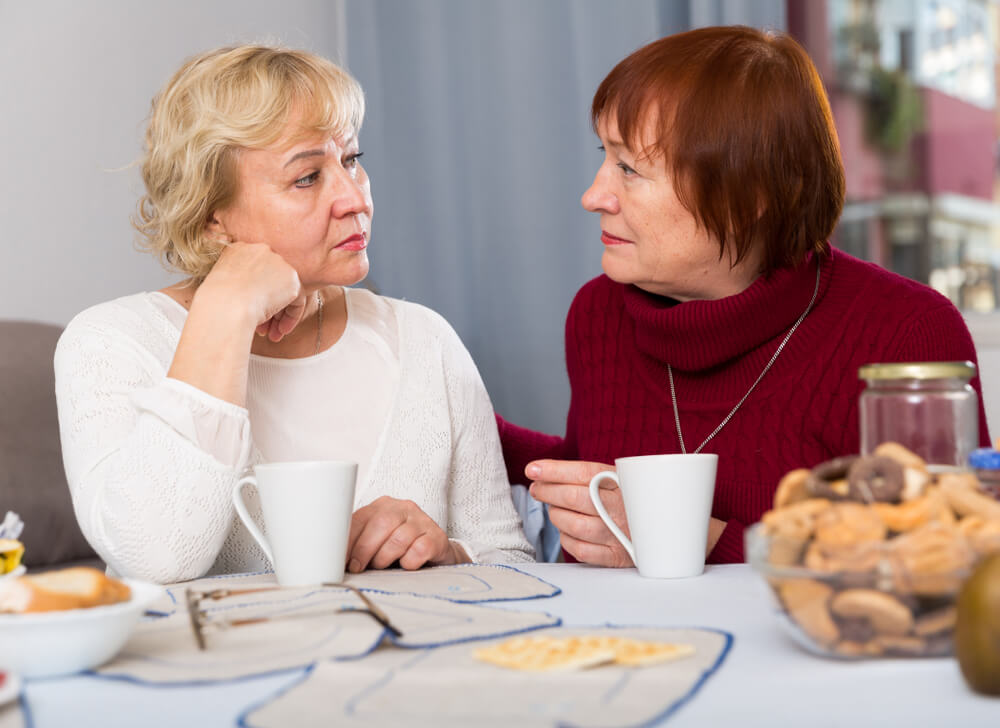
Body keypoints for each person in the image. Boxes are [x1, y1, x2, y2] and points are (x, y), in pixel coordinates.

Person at [496, 26, 990, 567]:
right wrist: (444, 403)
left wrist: (697, 539)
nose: (593, 196)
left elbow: (945, 557)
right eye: (605, 156)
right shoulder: (599, 312)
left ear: (748, 195)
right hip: (614, 644)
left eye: (631, 169)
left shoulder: (906, 333)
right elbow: (592, 476)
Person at [54, 45, 533, 584]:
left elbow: (512, 564)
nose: (355, 198)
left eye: (351, 159)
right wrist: (225, 311)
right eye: (307, 177)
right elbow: (156, 559)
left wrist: (449, 554)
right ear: (213, 217)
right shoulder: (109, 343)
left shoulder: (425, 338)